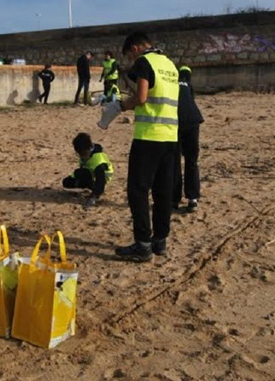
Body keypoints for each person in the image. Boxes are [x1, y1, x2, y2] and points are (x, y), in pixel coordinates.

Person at [113, 32, 179, 263]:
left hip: (148, 137)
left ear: (134, 48)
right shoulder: (170, 65)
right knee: (163, 191)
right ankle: (160, 241)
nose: (131, 60)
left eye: (130, 55)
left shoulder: (144, 62)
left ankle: (143, 244)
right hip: (171, 137)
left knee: (138, 191)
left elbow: (141, 97)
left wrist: (122, 105)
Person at [173, 65, 204, 213]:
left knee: (174, 162)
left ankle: (174, 200)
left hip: (175, 122)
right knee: (191, 161)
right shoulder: (189, 86)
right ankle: (193, 199)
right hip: (193, 121)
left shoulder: (171, 84)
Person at [62, 132, 114, 209]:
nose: (81, 156)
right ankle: (86, 184)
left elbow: (101, 180)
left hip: (101, 178)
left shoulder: (98, 161)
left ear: (88, 149)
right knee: (67, 182)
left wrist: (93, 197)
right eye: (79, 154)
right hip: (88, 172)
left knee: (84, 175)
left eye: (83, 153)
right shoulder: (85, 152)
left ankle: (93, 187)